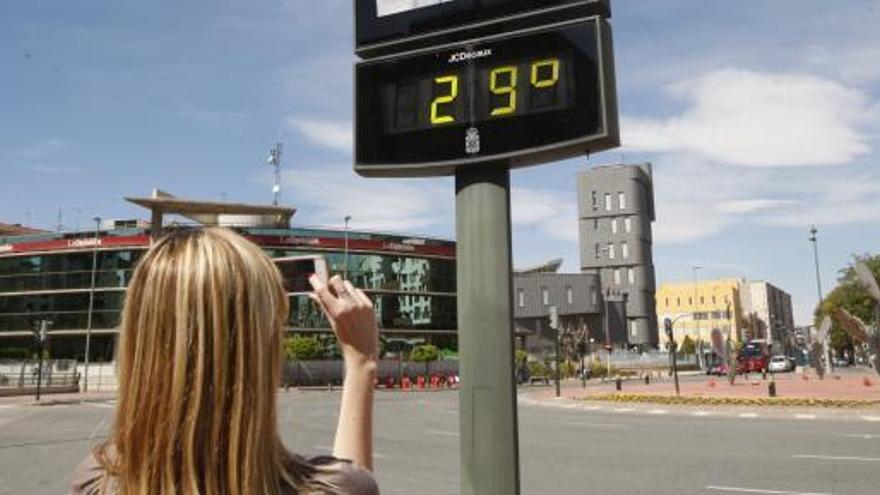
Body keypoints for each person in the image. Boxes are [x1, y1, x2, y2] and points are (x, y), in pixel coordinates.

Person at [70, 228, 380, 494]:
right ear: (260, 351)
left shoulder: (97, 480)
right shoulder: (338, 488)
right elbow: (354, 479)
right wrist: (361, 363)